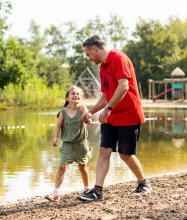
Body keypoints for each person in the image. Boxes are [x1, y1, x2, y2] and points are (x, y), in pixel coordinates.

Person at [77, 35, 152, 201]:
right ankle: (97, 191)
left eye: (88, 54)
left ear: (94, 49)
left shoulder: (119, 58)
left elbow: (124, 86)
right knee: (104, 150)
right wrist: (92, 111)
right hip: (111, 117)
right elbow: (105, 96)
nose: (89, 58)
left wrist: (108, 109)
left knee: (125, 154)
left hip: (128, 115)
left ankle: (143, 182)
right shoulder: (103, 67)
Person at [45, 85, 92, 202]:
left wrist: (88, 120)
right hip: (67, 144)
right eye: (73, 94)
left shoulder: (82, 108)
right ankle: (55, 193)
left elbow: (88, 119)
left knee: (83, 167)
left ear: (80, 98)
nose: (76, 95)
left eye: (78, 94)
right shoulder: (63, 111)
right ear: (67, 98)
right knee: (62, 167)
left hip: (81, 144)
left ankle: (87, 189)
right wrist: (55, 137)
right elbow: (58, 125)